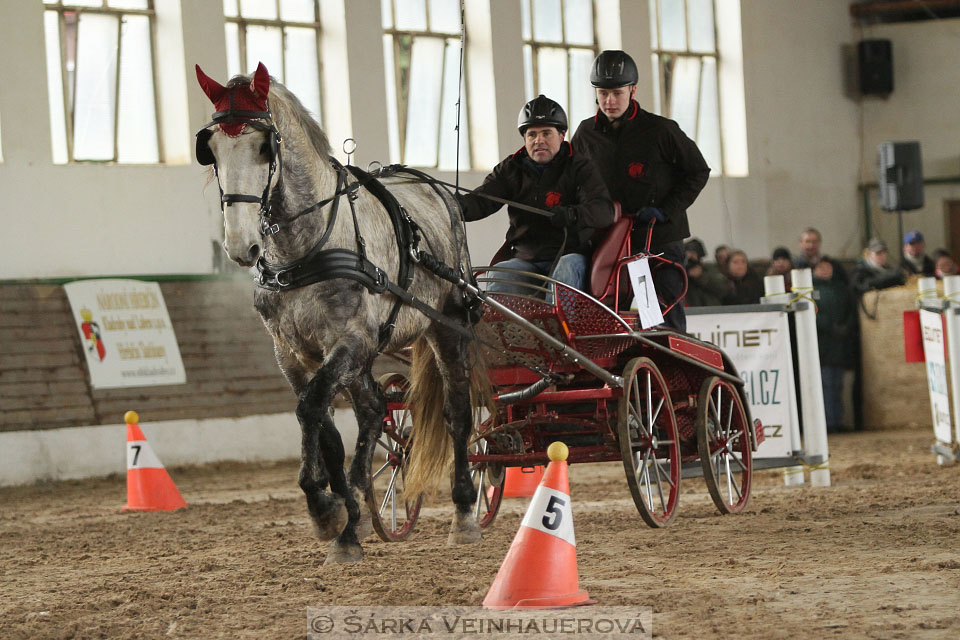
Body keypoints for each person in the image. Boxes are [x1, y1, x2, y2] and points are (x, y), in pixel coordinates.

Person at [571, 49, 710, 330]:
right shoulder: (585, 134)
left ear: (632, 89)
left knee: (659, 320)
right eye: (603, 93)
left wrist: (666, 210)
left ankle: (671, 371)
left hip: (657, 241)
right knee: (609, 320)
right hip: (610, 242)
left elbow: (697, 171)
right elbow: (572, 181)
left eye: (617, 93)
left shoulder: (661, 130)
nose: (609, 101)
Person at [458, 95, 614, 295]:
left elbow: (604, 210)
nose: (539, 140)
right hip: (526, 259)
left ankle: (558, 326)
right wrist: (457, 205)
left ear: (562, 135)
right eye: (532, 134)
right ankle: (503, 327)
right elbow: (482, 201)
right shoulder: (511, 168)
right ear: (525, 139)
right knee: (500, 277)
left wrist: (573, 215)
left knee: (565, 271)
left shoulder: (580, 166)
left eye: (546, 133)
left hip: (570, 256)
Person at [812, 260, 857, 433]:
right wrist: (829, 326)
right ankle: (828, 422)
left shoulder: (840, 289)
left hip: (839, 345)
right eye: (821, 266)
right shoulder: (810, 290)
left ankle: (837, 420)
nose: (824, 270)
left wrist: (845, 327)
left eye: (827, 267)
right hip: (822, 344)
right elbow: (813, 313)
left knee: (838, 385)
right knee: (826, 384)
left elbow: (850, 311)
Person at [684, 238, 728, 306]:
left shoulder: (710, 269)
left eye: (693, 253)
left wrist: (701, 276)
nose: (690, 257)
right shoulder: (680, 272)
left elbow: (723, 289)